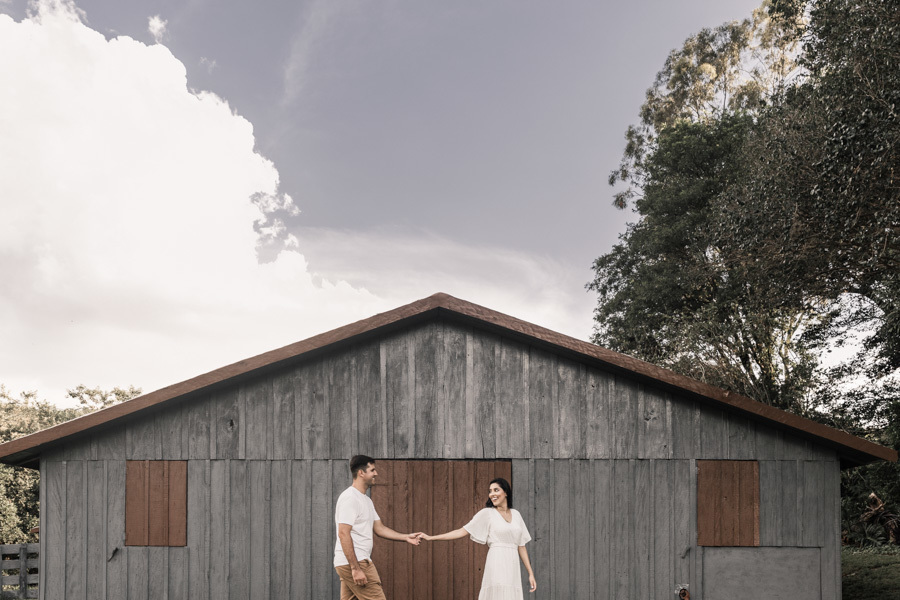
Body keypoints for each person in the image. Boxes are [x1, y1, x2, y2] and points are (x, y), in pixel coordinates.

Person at [422, 477, 537, 598]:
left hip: (513, 565)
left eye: (496, 490)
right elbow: (461, 531)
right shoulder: (487, 513)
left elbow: (521, 546)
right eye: (490, 491)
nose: (492, 494)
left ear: (506, 492)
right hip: (497, 561)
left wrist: (530, 573)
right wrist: (431, 538)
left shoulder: (517, 514)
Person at [334, 455, 423, 600]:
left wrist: (406, 537)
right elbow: (343, 533)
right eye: (372, 470)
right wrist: (356, 568)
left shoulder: (366, 501)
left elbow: (379, 528)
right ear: (361, 473)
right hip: (357, 562)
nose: (376, 473)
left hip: (351, 562)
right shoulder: (350, 498)